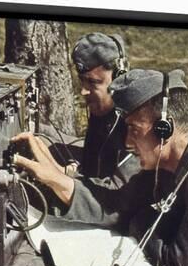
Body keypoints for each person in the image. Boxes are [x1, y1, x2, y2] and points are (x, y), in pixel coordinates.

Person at [12, 68, 188, 266]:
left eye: (134, 128)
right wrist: (60, 179)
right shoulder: (170, 160)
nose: (128, 142)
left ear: (165, 128)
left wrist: (140, 223)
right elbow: (118, 204)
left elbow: (183, 265)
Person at [39, 32, 138, 185]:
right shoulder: (102, 110)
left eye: (93, 82)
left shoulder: (136, 121)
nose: (83, 91)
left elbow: (115, 195)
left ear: (119, 78)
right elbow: (90, 168)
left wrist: (56, 175)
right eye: (82, 81)